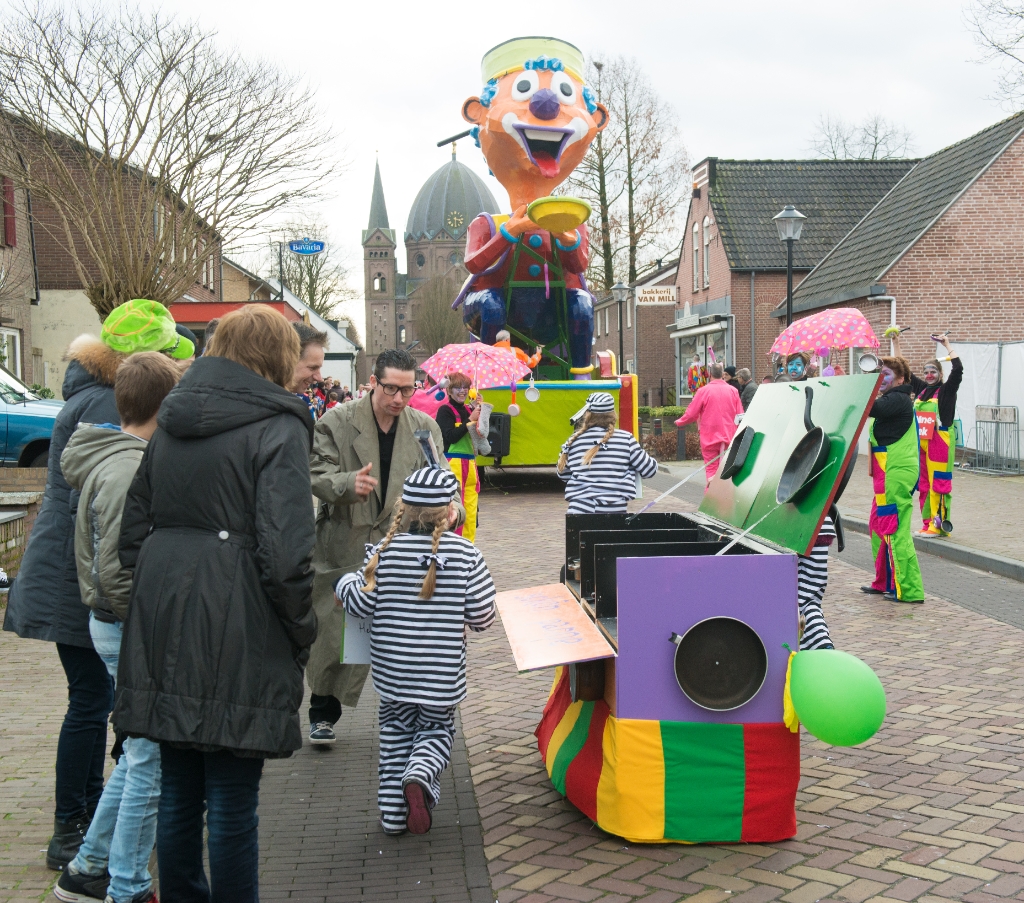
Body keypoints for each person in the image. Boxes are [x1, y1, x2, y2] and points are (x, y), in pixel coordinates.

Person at [112, 306, 318, 902]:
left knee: (178, 788)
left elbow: (133, 532)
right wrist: (300, 627)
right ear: (278, 355)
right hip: (241, 626)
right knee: (231, 797)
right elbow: (287, 554)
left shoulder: (171, 420)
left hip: (164, 622)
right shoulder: (279, 426)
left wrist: (163, 593)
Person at [2, 298, 194, 871]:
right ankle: (72, 828)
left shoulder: (90, 393)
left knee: (93, 699)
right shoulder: (107, 404)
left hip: (76, 569)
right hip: (79, 576)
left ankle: (85, 818)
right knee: (90, 701)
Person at [55, 352, 182, 903]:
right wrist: (149, 624)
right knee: (150, 763)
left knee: (136, 754)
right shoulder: (130, 466)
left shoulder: (114, 457)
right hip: (129, 627)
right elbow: (114, 569)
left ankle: (87, 868)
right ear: (165, 404)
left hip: (114, 623)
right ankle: (127, 887)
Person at [337, 467, 495, 835]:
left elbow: (360, 604)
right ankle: (421, 773)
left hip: (393, 673)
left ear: (403, 508)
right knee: (437, 730)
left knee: (393, 736)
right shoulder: (466, 554)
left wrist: (343, 582)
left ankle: (393, 818)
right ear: (451, 510)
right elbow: (483, 616)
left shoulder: (384, 552)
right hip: (441, 676)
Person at [305, 349, 449, 747]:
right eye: (390, 389)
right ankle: (322, 713)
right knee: (337, 629)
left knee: (402, 633)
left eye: (407, 389)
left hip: (401, 541)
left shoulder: (423, 427)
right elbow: (317, 473)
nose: (399, 399)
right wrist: (348, 484)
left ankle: (408, 714)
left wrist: (447, 506)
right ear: (373, 383)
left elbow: (440, 475)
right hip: (345, 539)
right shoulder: (336, 421)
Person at [861, 356, 925, 603]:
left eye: (885, 374)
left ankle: (909, 590)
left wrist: (866, 383)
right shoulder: (892, 398)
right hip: (884, 472)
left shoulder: (898, 399)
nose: (882, 378)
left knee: (893, 528)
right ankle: (884, 582)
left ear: (900, 379)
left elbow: (871, 408)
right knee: (878, 525)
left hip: (895, 473)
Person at [897, 332, 962, 536]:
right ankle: (927, 523)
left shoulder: (946, 391)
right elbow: (904, 371)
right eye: (926, 372)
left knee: (939, 484)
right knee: (924, 484)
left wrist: (947, 345)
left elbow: (958, 369)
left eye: (933, 371)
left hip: (940, 441)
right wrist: (895, 341)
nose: (929, 374)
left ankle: (939, 524)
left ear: (940, 374)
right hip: (921, 442)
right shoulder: (923, 390)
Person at [557, 392, 658, 514]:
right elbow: (649, 470)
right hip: (613, 510)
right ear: (612, 414)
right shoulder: (626, 439)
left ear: (588, 414)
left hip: (579, 510)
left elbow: (563, 475)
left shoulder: (573, 440)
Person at [674, 362, 744, 486]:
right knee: (726, 471)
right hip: (728, 436)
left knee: (711, 471)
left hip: (709, 438)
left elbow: (692, 412)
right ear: (723, 374)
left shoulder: (703, 391)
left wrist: (680, 422)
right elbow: (740, 415)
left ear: (710, 374)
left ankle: (712, 499)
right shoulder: (733, 391)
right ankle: (725, 500)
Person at [435, 372, 486, 542]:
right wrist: (469, 420)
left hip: (470, 465)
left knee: (471, 512)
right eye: (458, 387)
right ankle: (453, 546)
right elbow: (450, 437)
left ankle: (468, 547)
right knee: (454, 509)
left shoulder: (469, 409)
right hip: (453, 464)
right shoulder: (445, 411)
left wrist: (482, 410)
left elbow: (481, 439)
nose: (462, 391)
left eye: (466, 387)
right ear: (449, 390)